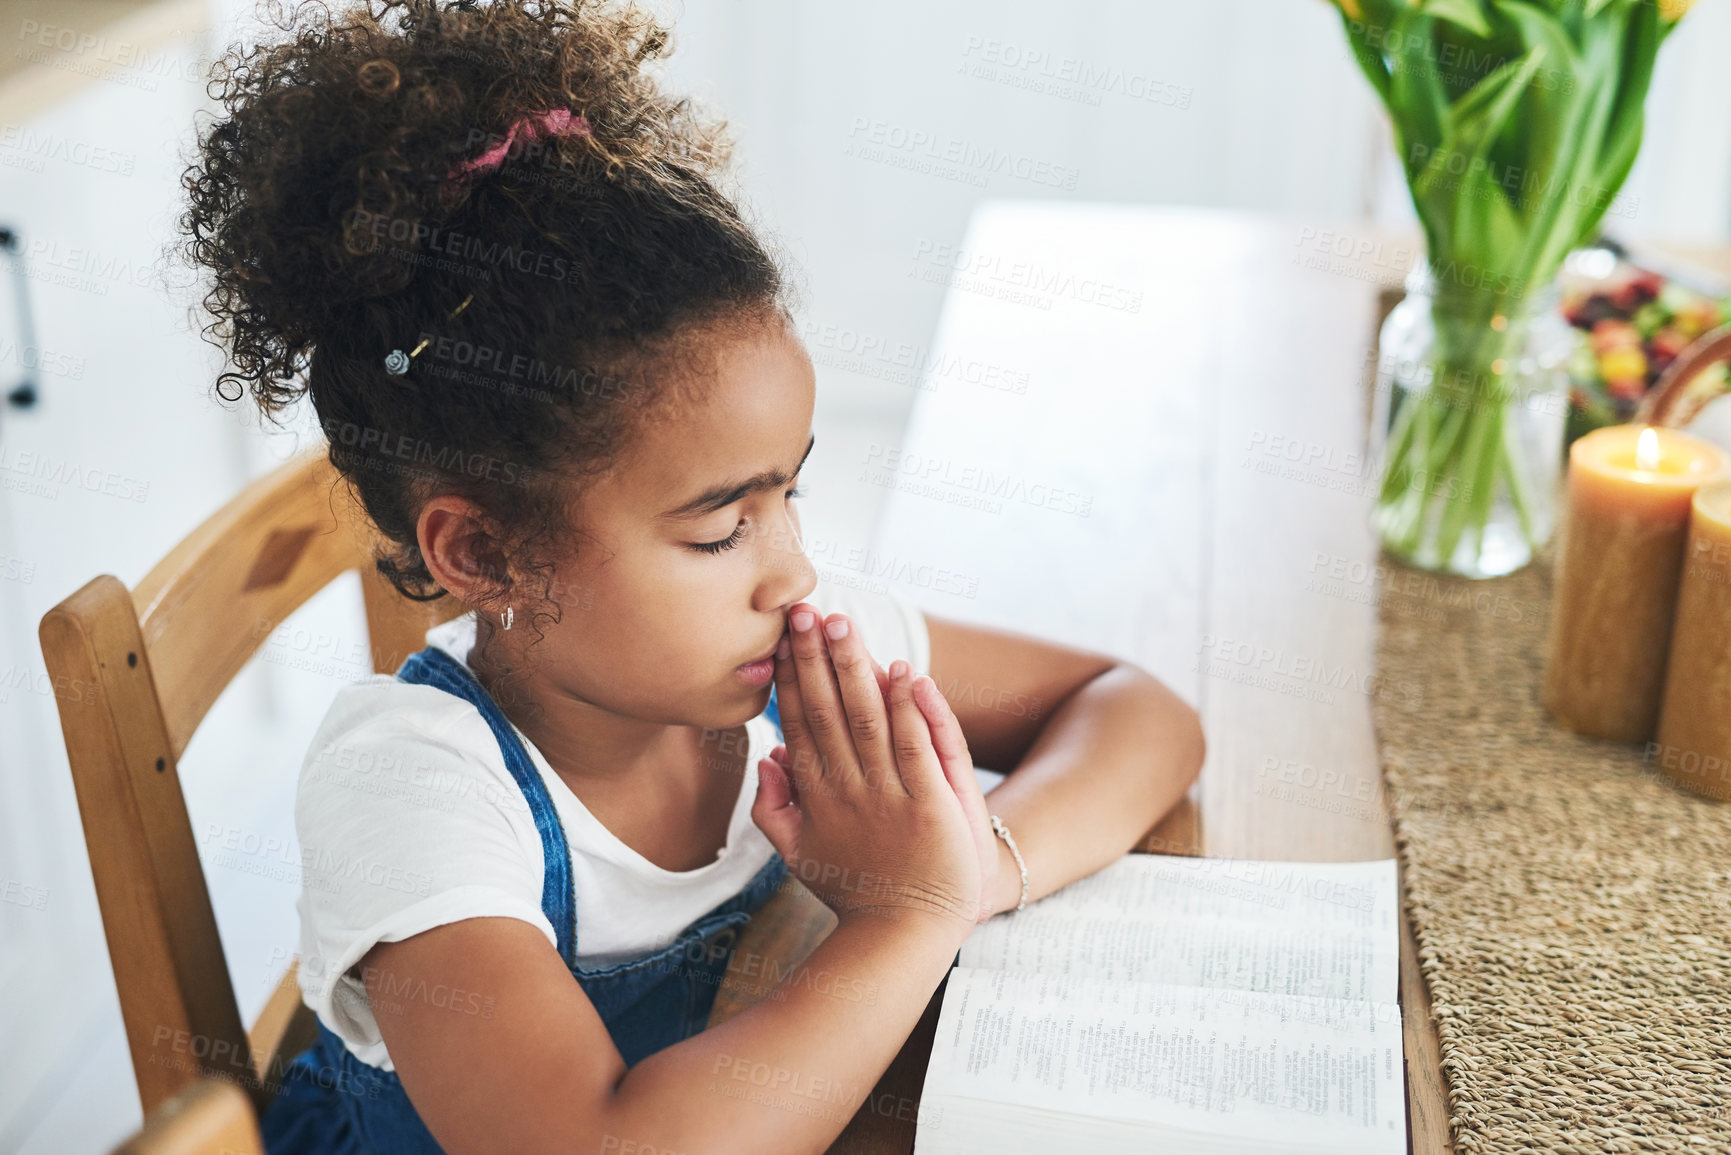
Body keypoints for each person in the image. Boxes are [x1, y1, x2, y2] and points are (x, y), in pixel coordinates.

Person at [178, 2, 1204, 1150]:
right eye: (722, 532)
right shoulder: (418, 788)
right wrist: (902, 921)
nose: (795, 570)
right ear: (483, 554)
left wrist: (974, 871)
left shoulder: (786, 650)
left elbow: (1141, 712)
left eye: (790, 496)